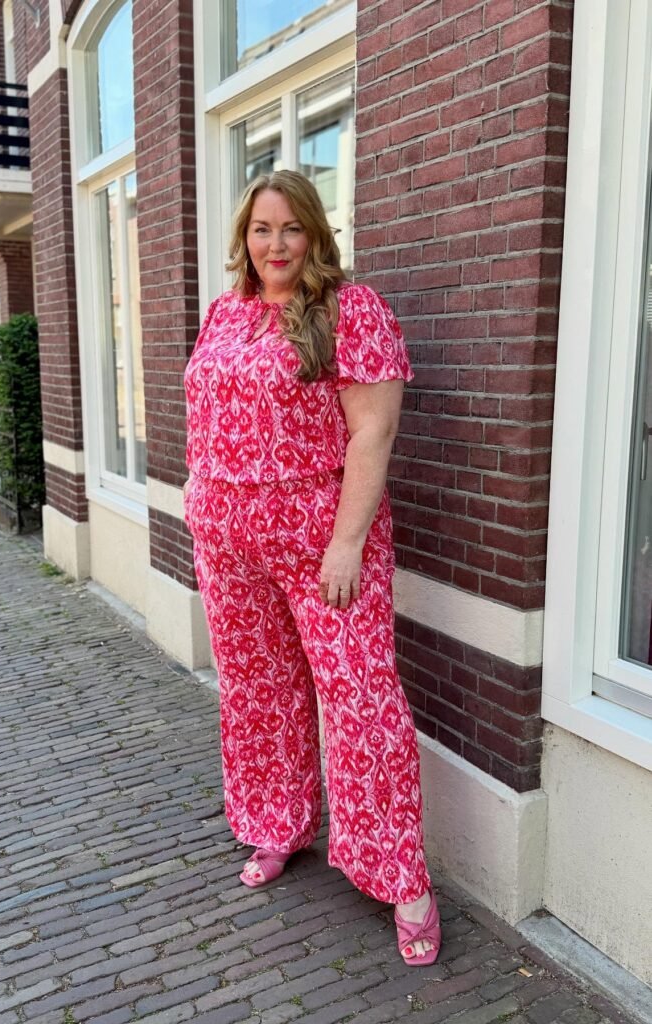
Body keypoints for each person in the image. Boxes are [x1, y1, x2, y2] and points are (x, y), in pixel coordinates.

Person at [183, 169, 441, 965]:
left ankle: (402, 877)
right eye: (261, 229)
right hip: (228, 540)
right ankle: (274, 826)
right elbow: (203, 413)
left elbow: (372, 433)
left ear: (315, 234)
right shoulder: (225, 314)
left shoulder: (348, 310)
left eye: (290, 228)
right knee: (257, 691)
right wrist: (199, 495)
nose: (275, 245)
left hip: (322, 544)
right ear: (244, 237)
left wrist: (346, 542)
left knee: (362, 700)